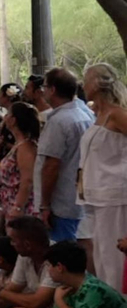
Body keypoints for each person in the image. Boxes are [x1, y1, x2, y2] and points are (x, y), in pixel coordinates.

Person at [79, 63, 127, 291]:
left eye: (86, 80)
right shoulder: (98, 115)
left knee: (113, 259)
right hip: (95, 196)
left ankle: (119, 303)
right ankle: (109, 300)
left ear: (98, 84)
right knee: (101, 257)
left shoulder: (117, 114)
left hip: (114, 195)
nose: (83, 85)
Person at [35, 66, 93, 243]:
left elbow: (51, 165)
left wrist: (45, 204)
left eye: (45, 87)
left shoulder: (59, 122)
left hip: (61, 201)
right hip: (78, 196)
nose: (43, 91)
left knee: (63, 250)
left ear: (52, 90)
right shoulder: (85, 115)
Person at [0, 101, 42, 221]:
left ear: (13, 120)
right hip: (9, 203)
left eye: (7, 114)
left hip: (21, 208)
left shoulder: (26, 147)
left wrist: (18, 207)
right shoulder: (19, 145)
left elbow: (27, 180)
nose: (4, 118)